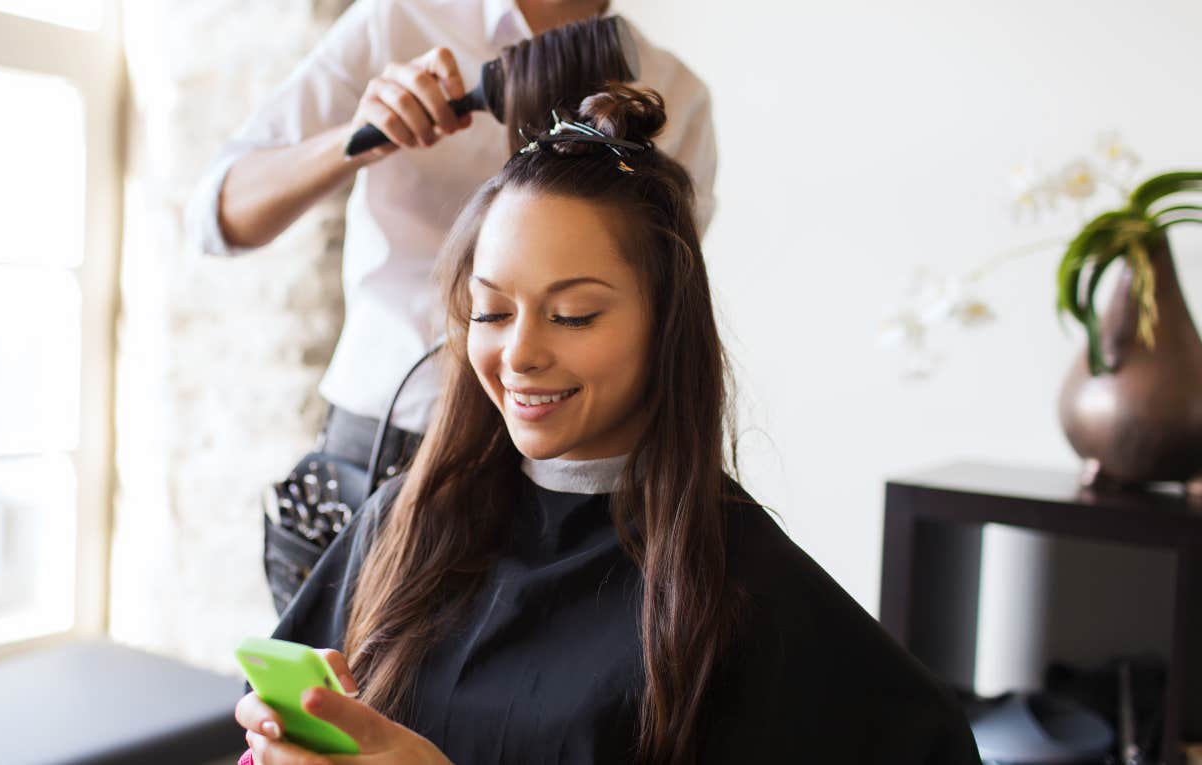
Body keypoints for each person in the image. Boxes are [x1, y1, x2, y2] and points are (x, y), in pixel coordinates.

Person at [230, 85, 981, 765]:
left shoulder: (739, 587)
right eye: (491, 311)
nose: (519, 352)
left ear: (666, 324)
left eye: (573, 314)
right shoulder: (404, 524)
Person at [186, 0, 718, 528]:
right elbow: (219, 215)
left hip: (561, 471)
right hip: (384, 445)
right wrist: (358, 138)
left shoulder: (673, 93)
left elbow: (664, 309)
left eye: (575, 312)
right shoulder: (401, 21)